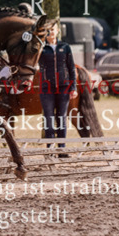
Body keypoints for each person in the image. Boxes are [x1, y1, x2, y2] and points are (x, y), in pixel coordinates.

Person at [38, 24, 77, 153]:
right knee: (48, 119)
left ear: (58, 31)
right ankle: (50, 149)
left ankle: (61, 149)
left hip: (64, 88)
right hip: (46, 88)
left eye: (52, 30)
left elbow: (71, 67)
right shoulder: (41, 48)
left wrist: (73, 87)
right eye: (47, 30)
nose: (50, 32)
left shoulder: (65, 47)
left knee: (62, 118)